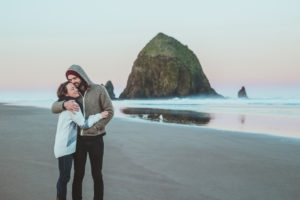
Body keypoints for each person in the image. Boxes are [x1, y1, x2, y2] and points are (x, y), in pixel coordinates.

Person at [51, 64, 114, 200]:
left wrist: (96, 128)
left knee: (97, 174)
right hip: (79, 141)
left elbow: (109, 111)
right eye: (70, 80)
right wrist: (64, 104)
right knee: (78, 174)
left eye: (74, 78)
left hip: (96, 139)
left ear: (81, 75)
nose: (73, 82)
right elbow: (54, 107)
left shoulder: (99, 90)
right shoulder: (73, 93)